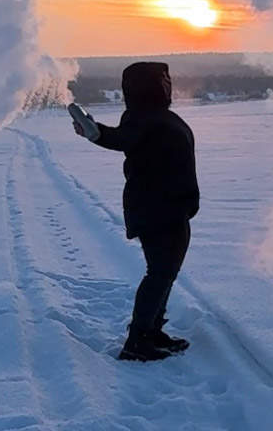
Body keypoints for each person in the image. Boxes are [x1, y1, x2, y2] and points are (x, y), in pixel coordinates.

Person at [72, 61, 200, 362]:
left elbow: (124, 136)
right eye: (162, 80)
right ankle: (138, 340)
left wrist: (99, 133)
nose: (168, 84)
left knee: (165, 273)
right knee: (159, 273)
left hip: (171, 207)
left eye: (168, 79)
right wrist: (95, 133)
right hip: (158, 209)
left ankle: (152, 331)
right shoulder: (143, 118)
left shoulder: (154, 116)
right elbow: (122, 138)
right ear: (146, 86)